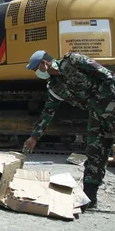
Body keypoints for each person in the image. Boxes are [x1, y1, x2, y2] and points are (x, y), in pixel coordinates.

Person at [23, 50, 115, 211]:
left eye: (35, 68)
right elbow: (48, 113)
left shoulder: (73, 60)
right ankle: (89, 198)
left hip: (111, 105)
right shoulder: (54, 87)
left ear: (44, 63)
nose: (35, 72)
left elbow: (106, 75)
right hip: (96, 116)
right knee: (95, 152)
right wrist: (34, 137)